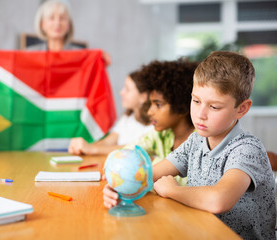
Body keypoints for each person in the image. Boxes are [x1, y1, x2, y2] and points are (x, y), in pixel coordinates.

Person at [103, 51, 276, 239]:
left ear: (241, 109)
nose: (200, 114)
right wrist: (119, 188)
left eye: (214, 106)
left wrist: (174, 190)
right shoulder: (196, 141)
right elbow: (148, 176)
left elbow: (219, 200)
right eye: (196, 100)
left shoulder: (246, 149)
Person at [121, 59, 198, 186]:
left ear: (182, 107)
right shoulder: (162, 135)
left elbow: (188, 185)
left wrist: (154, 164)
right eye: (150, 104)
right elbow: (128, 151)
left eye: (158, 105)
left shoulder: (201, 142)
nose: (149, 112)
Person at [68, 70, 153, 155]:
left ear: (143, 97)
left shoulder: (153, 125)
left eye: (127, 89)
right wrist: (83, 148)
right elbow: (107, 142)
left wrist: (92, 149)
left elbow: (137, 148)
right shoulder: (127, 118)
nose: (121, 92)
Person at [29, 0, 111, 65]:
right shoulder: (30, 55)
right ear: (42, 24)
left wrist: (99, 61)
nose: (57, 23)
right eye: (51, 18)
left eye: (62, 18)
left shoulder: (81, 57)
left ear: (69, 25)